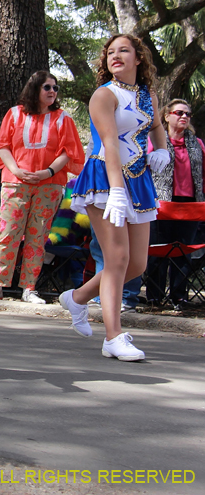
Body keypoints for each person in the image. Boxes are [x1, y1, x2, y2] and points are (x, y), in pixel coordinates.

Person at [64, 34, 168, 362]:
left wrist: (162, 149)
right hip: (105, 181)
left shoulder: (147, 94)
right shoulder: (103, 95)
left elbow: (155, 125)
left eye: (124, 50)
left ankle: (77, 297)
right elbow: (109, 143)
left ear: (139, 58)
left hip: (138, 180)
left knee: (135, 264)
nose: (115, 56)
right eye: (110, 52)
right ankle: (113, 336)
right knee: (117, 260)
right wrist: (117, 191)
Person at [0, 71, 84, 303]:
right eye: (47, 87)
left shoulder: (63, 118)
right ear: (34, 89)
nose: (53, 92)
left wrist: (48, 172)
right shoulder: (14, 114)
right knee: (8, 232)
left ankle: (29, 288)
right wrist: (15, 170)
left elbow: (69, 152)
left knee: (38, 235)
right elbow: (3, 146)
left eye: (55, 88)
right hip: (15, 182)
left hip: (50, 184)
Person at [146, 98, 205, 309]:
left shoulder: (196, 144)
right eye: (179, 112)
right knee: (158, 251)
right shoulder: (155, 140)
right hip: (162, 203)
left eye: (187, 114)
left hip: (190, 205)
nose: (184, 117)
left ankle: (179, 296)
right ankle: (155, 296)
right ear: (167, 116)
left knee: (183, 253)